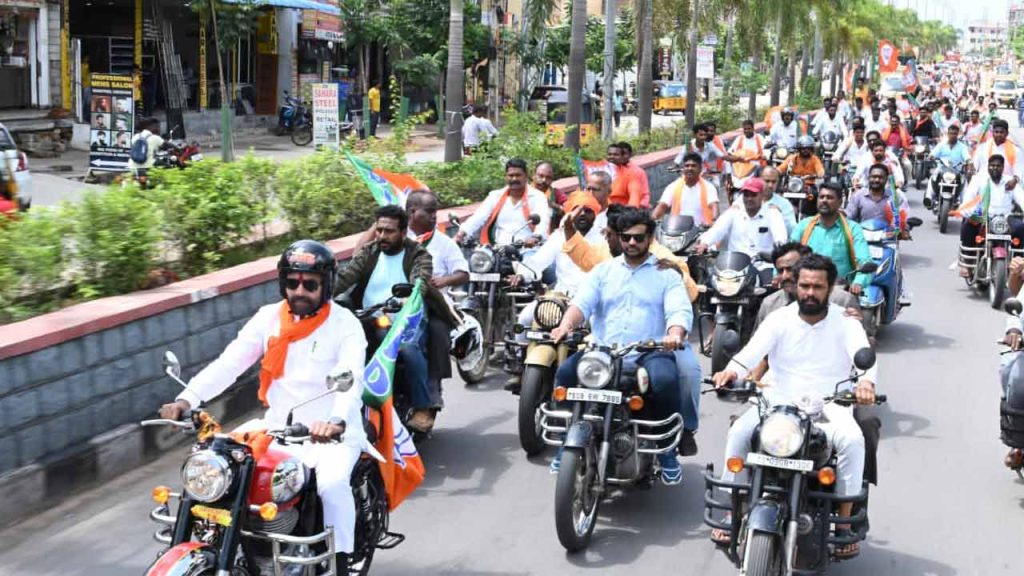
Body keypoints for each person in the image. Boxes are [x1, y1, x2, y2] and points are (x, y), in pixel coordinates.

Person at [158, 240, 367, 568]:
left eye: (310, 283)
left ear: (325, 285)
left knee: (330, 485)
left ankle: (341, 562)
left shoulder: (345, 325)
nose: (300, 290)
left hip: (329, 433)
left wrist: (336, 421)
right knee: (220, 466)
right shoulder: (268, 318)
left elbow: (350, 379)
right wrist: (187, 399)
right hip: (276, 426)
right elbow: (230, 364)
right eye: (292, 282)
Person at [710, 253, 878, 558]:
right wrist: (730, 371)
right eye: (804, 286)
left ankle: (843, 520)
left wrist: (866, 384)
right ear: (795, 286)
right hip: (777, 402)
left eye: (817, 287)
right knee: (739, 432)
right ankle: (730, 506)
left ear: (830, 288)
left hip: (830, 406)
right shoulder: (779, 319)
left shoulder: (845, 323)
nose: (810, 293)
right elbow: (751, 352)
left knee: (853, 441)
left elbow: (863, 358)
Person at [549, 209, 692, 484]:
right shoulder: (603, 272)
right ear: (619, 238)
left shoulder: (666, 275)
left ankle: (666, 451)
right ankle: (566, 441)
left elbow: (679, 310)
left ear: (650, 238)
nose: (632, 243)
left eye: (638, 237)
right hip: (604, 353)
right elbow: (582, 304)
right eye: (626, 237)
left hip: (648, 352)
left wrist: (674, 333)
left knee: (664, 380)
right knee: (566, 374)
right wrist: (566, 325)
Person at [335, 205, 458, 433]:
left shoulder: (418, 254)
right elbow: (346, 277)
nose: (382, 236)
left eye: (389, 231)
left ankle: (423, 406)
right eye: (379, 230)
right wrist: (320, 295)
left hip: (407, 317)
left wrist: (409, 299)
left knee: (408, 348)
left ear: (403, 232)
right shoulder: (369, 252)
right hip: (369, 317)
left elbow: (420, 282)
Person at [405, 190, 468, 410]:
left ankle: (434, 385)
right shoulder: (396, 237)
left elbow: (463, 273)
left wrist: (442, 281)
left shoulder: (443, 243)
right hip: (398, 304)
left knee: (438, 330)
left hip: (433, 303)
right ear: (412, 212)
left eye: (435, 212)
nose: (434, 217)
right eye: (429, 212)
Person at [791, 182, 872, 294]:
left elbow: (864, 260)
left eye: (829, 198)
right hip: (807, 290)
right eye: (821, 197)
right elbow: (789, 256)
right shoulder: (803, 226)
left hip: (839, 290)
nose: (824, 200)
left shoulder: (853, 229)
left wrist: (858, 282)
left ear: (840, 202)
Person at [695, 178, 787, 270]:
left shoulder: (773, 214)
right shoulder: (733, 212)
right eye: (746, 195)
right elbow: (717, 230)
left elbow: (780, 237)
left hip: (763, 265)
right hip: (734, 265)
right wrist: (705, 243)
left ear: (762, 195)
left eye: (753, 195)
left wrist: (778, 249)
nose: (749, 199)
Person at [956, 154, 1024, 278]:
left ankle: (1018, 263)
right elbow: (968, 199)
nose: (995, 168)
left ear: (1003, 167)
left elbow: (1021, 198)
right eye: (992, 165)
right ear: (988, 167)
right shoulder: (979, 179)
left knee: (1020, 227)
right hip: (983, 213)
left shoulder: (1009, 182)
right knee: (968, 224)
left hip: (1005, 216)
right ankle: (967, 263)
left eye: (998, 166)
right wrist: (967, 211)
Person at [455, 158, 550, 246]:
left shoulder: (538, 197)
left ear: (526, 176)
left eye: (518, 175)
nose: (514, 179)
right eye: (511, 175)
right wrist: (460, 234)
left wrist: (536, 237)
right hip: (499, 251)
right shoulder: (495, 196)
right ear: (505, 177)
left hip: (528, 250)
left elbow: (543, 221)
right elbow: (478, 216)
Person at [652, 152, 720, 225]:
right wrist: (653, 219)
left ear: (700, 169)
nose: (690, 168)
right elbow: (662, 205)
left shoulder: (708, 187)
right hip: (677, 231)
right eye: (687, 166)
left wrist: (714, 219)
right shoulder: (673, 186)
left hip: (702, 231)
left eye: (693, 166)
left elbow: (714, 206)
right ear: (683, 168)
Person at [926, 123, 972, 209]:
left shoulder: (962, 147)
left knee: (964, 182)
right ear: (948, 134)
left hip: (956, 171)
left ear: (958, 135)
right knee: (933, 176)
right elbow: (933, 153)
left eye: (955, 134)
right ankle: (929, 198)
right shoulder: (941, 145)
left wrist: (969, 162)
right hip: (942, 169)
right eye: (951, 133)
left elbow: (967, 157)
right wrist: (931, 156)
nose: (953, 135)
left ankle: (964, 204)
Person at [972, 119, 1024, 183]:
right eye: (996, 132)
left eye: (1001, 132)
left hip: (1006, 184)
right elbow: (975, 166)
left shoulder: (1016, 150)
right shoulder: (983, 147)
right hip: (984, 183)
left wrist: (1015, 180)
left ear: (1007, 133)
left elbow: (1019, 170)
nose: (999, 134)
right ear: (993, 133)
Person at [607, 141, 650, 208]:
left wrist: (637, 209)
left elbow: (641, 195)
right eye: (610, 154)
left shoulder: (635, 172)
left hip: (625, 211)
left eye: (616, 154)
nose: (612, 157)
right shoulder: (601, 171)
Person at [757, 166, 797, 233]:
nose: (770, 185)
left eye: (774, 182)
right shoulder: (748, 198)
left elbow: (793, 231)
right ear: (759, 180)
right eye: (767, 181)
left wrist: (780, 216)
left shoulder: (784, 204)